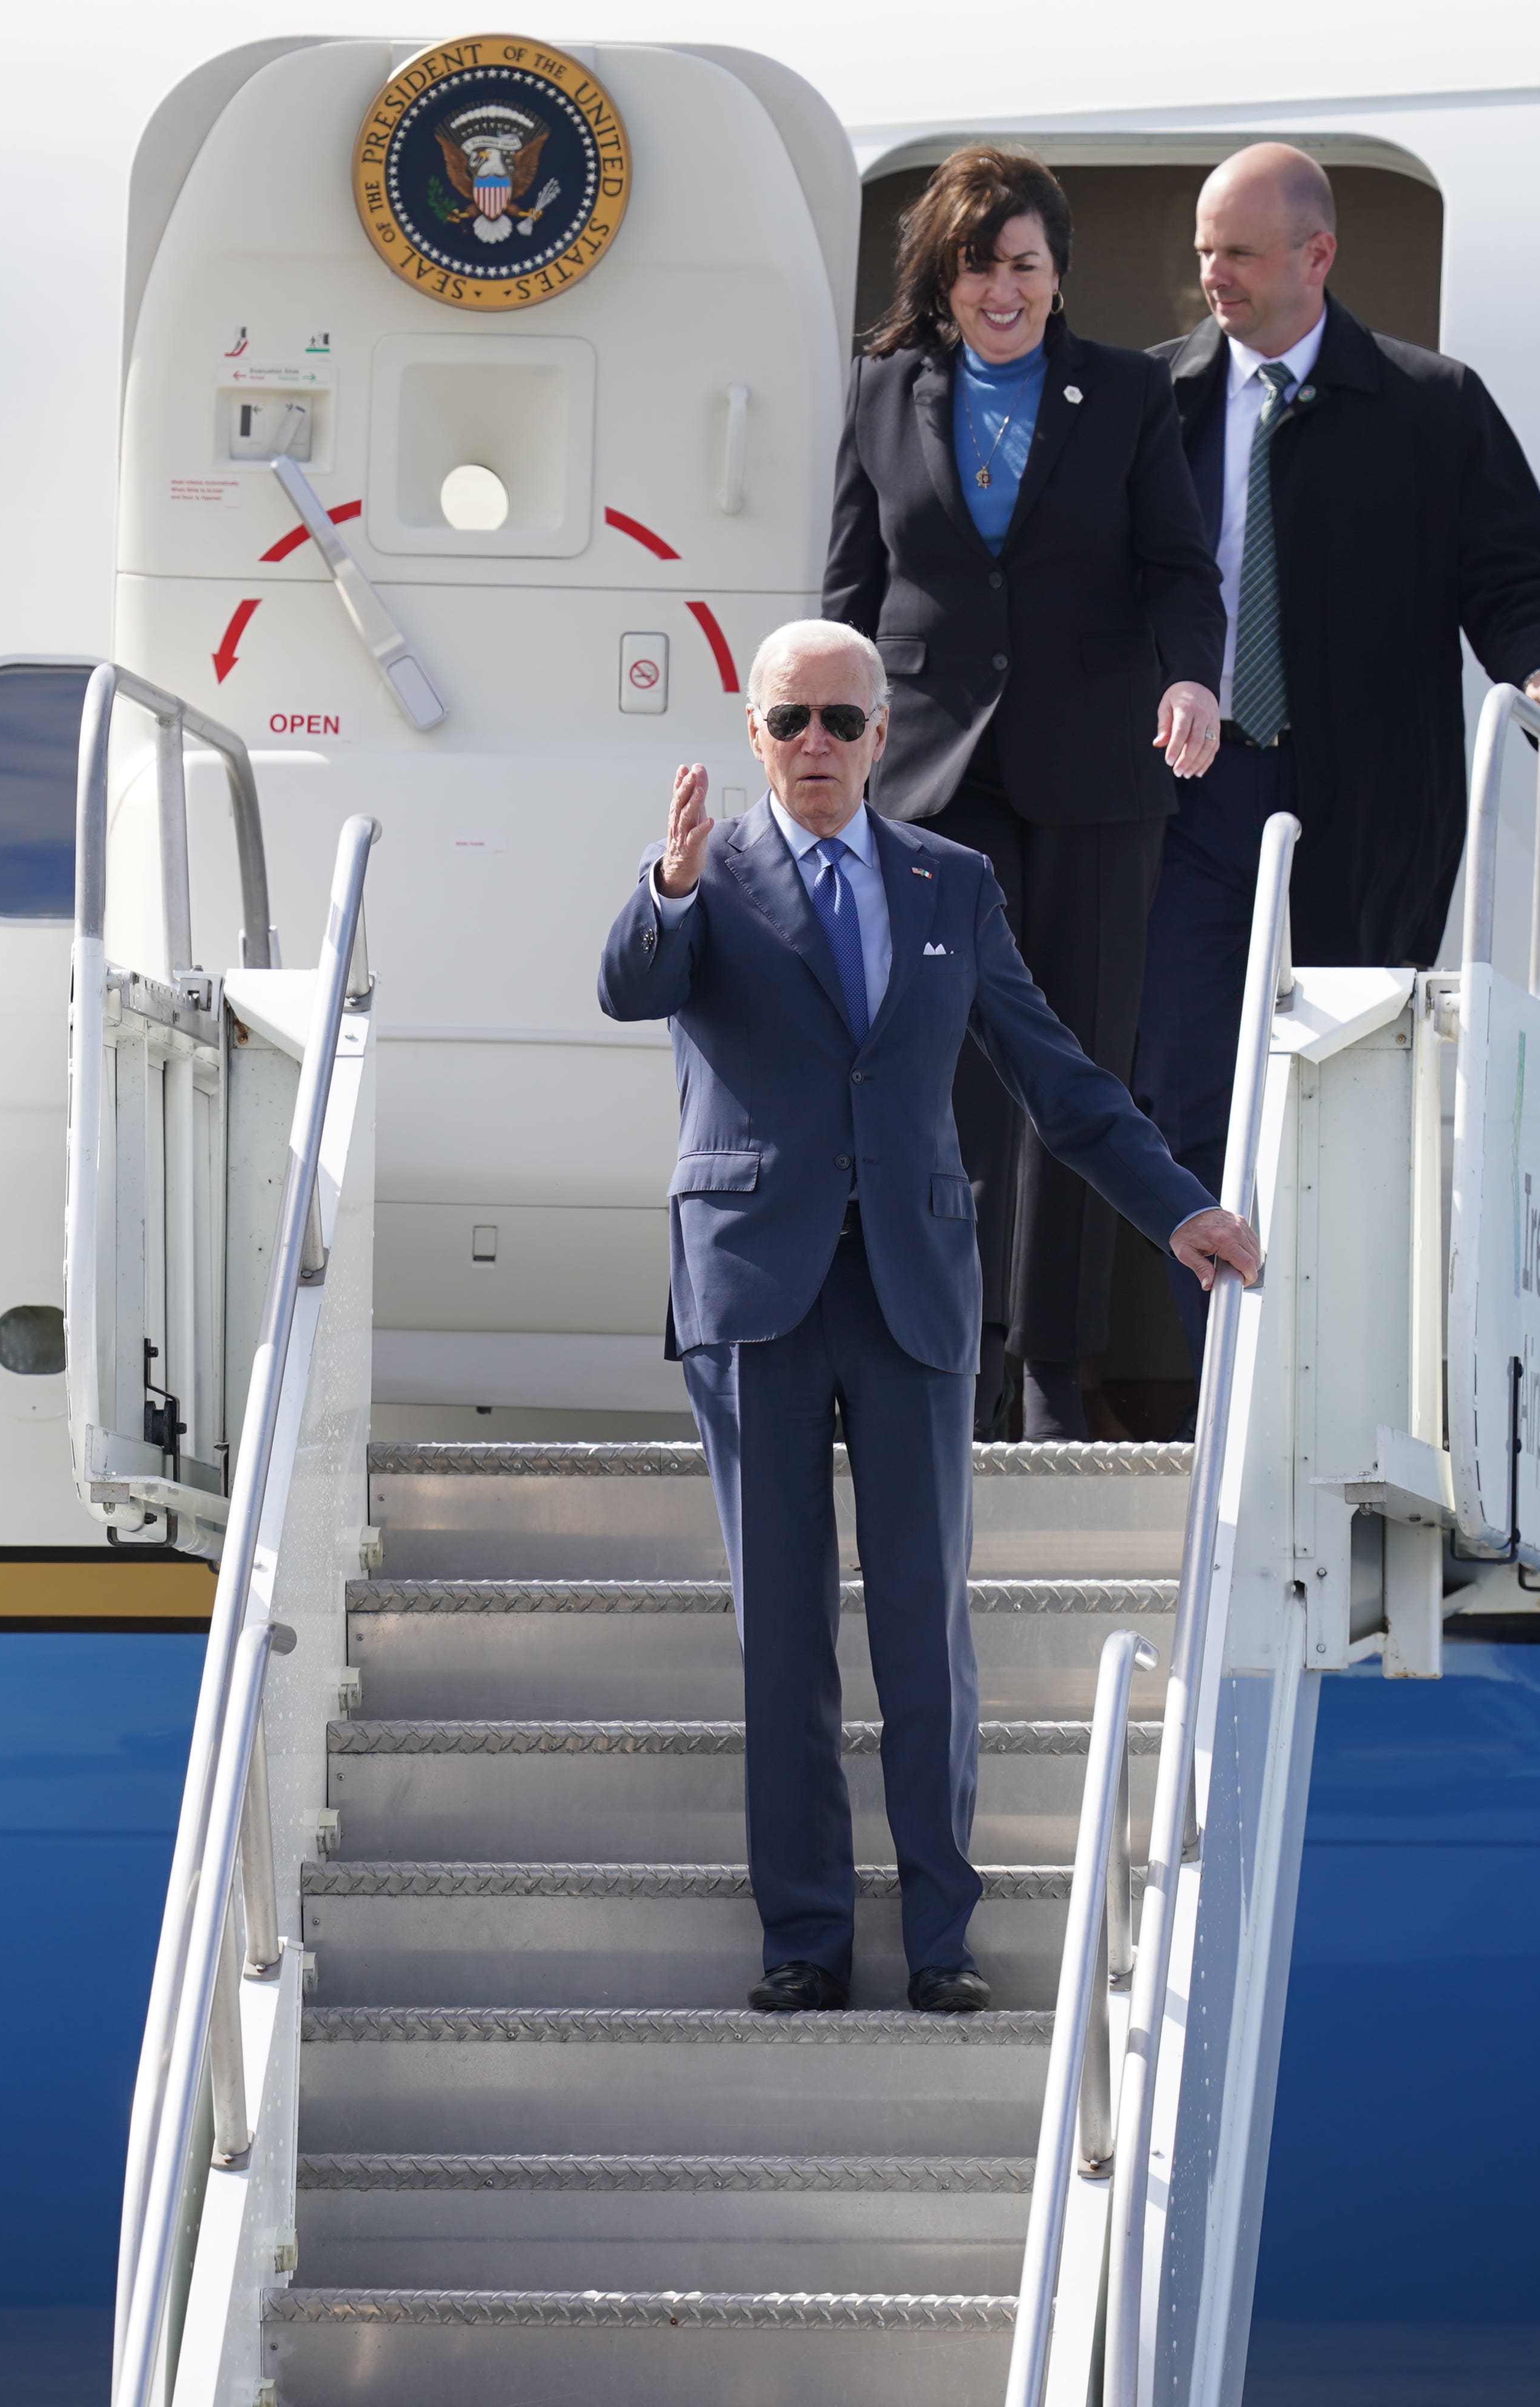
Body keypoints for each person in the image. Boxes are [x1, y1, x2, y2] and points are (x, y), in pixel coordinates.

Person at [597, 620, 1259, 2015]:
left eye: (843, 720)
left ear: (885, 734)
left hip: (911, 1285)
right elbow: (629, 986)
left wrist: (1177, 1208)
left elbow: (1057, 1077)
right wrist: (663, 884)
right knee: (781, 1631)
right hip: (756, 1290)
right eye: (791, 723)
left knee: (922, 1622)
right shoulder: (703, 876)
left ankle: (941, 1936)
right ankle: (807, 1936)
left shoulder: (950, 881)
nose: (818, 746)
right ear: (755, 735)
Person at [1139, 143, 1540, 1332]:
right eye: (1205, 250)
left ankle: (1331, 1351)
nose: (1215, 277)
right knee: (1185, 1080)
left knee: (1351, 1076)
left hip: (1369, 800)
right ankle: (1222, 1372)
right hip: (1191, 799)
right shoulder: (1153, 402)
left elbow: (1513, 580)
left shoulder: (1430, 406)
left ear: (1320, 254)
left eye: (1240, 253)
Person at [824, 146, 1226, 1440]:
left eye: (1024, 265)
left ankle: (1052, 1372)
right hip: (931, 776)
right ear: (940, 277)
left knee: (1077, 1080)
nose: (1002, 290)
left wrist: (1192, 682)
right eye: (977, 265)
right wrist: (825, 747)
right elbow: (847, 591)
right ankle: (948, 1359)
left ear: (1059, 276)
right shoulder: (883, 388)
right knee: (941, 1074)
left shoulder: (1123, 393)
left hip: (1095, 778)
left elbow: (1178, 568)